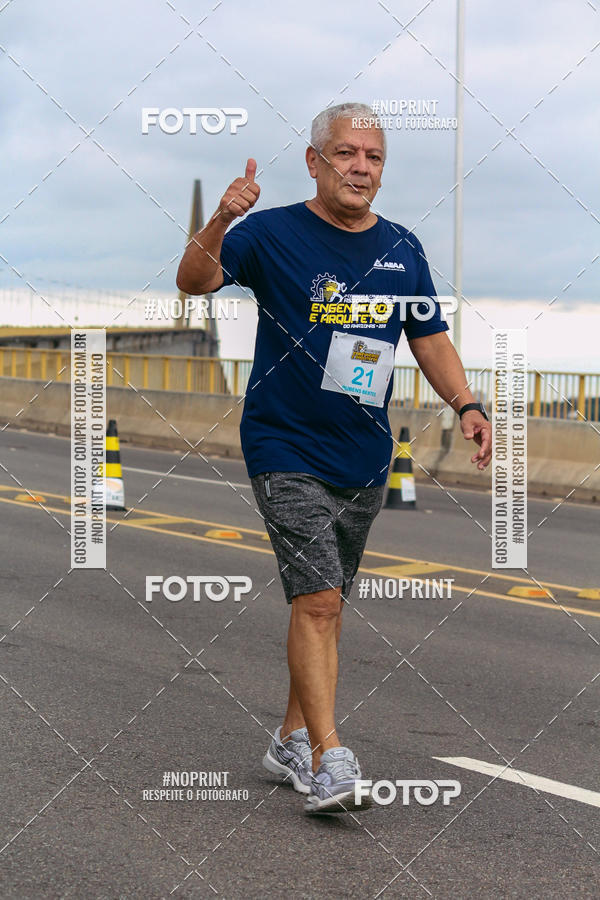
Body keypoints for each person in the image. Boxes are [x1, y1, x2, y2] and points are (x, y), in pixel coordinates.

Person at [176, 102, 492, 814]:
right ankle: (328, 760)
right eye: (346, 154)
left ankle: (289, 735)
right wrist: (221, 218)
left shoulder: (404, 247)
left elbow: (429, 338)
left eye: (373, 157)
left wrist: (468, 404)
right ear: (315, 162)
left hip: (363, 452)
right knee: (317, 598)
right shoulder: (270, 232)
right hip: (283, 442)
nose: (360, 168)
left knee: (326, 603)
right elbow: (193, 282)